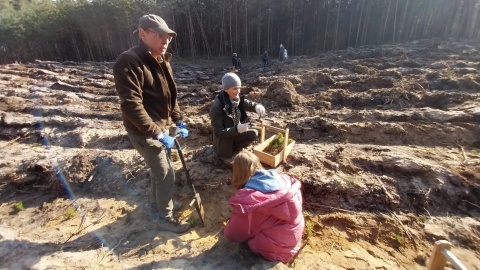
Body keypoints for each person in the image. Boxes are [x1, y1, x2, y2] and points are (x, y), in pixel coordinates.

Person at [112, 14, 190, 233]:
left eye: (168, 37)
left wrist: (179, 120)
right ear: (143, 34)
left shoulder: (161, 59)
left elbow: (169, 96)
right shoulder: (129, 61)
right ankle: (164, 218)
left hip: (159, 128)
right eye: (160, 35)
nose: (165, 40)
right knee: (166, 174)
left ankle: (159, 205)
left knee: (161, 171)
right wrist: (157, 133)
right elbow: (131, 105)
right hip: (144, 132)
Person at [224, 150, 305, 263]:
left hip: (276, 248)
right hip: (293, 237)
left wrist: (228, 226)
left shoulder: (251, 200)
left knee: (243, 243)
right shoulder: (283, 180)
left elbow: (232, 235)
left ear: (238, 173)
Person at [209, 72, 266, 164]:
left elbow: (246, 103)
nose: (238, 91)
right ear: (226, 89)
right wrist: (237, 129)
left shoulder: (234, 98)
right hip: (224, 142)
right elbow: (218, 132)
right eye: (234, 88)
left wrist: (256, 106)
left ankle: (235, 149)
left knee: (254, 133)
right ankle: (228, 154)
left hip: (234, 132)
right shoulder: (217, 108)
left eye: (239, 88)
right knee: (250, 132)